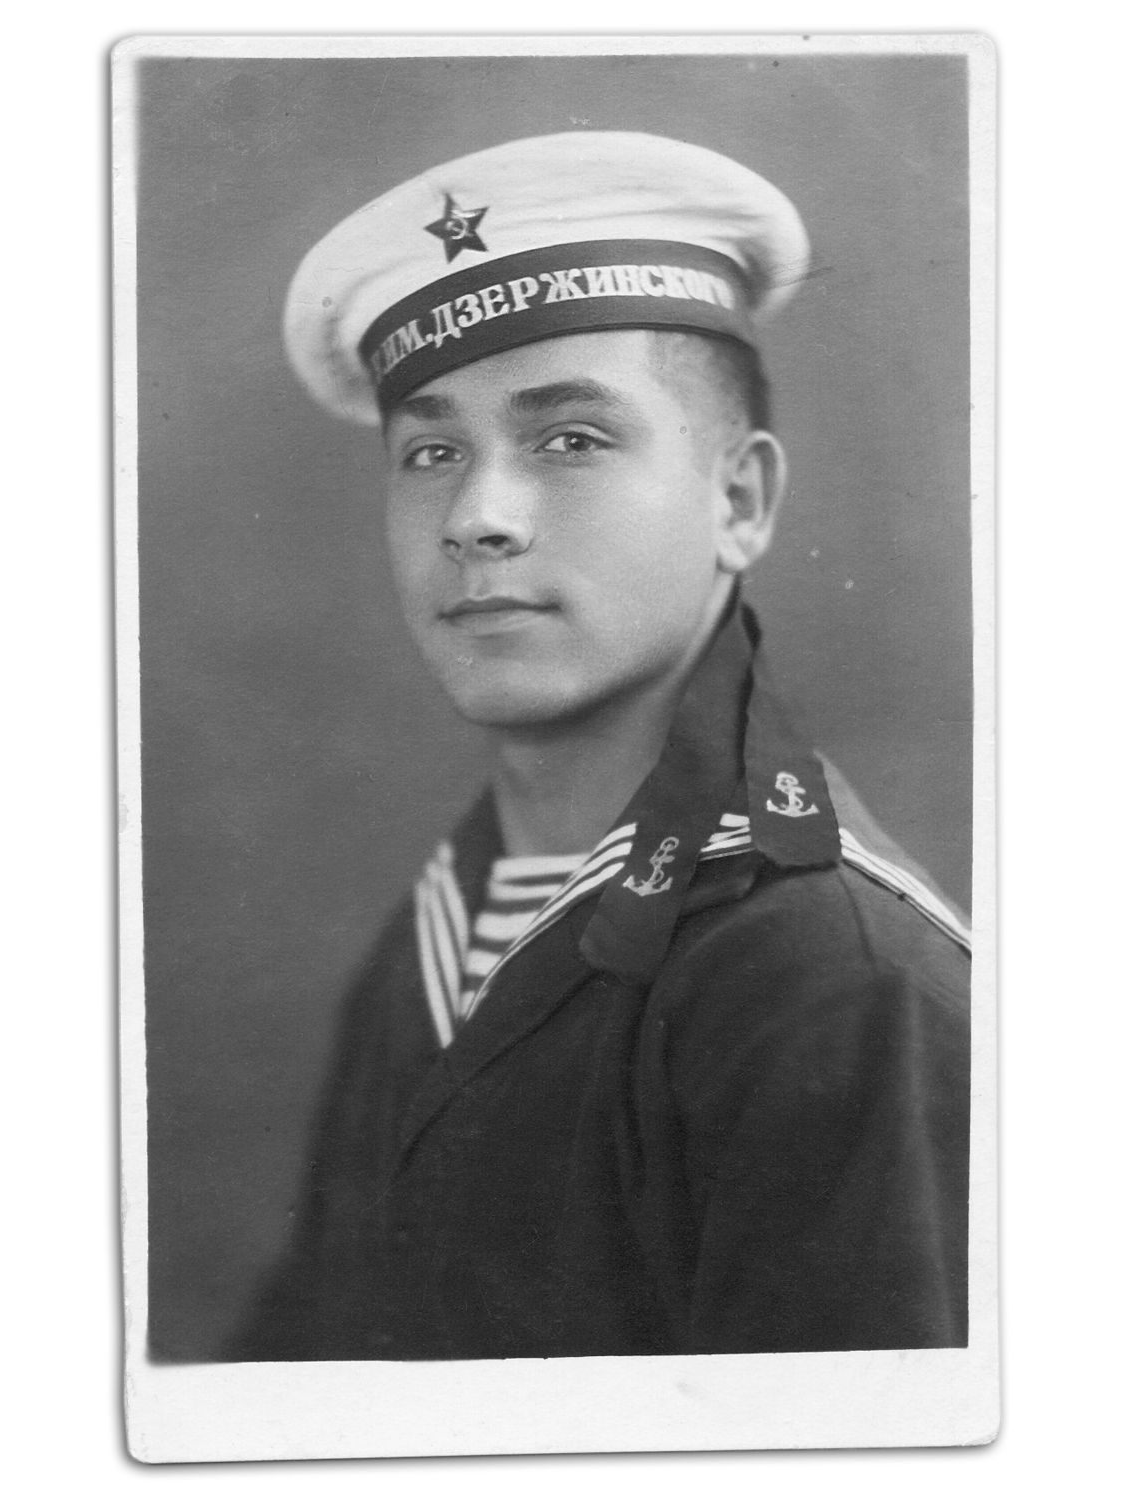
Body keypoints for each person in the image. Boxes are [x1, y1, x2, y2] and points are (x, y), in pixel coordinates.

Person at [227, 131, 971, 1362]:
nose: (478, 517)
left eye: (571, 438)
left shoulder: (832, 983)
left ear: (740, 501)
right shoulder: (442, 932)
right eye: (431, 452)